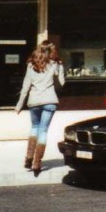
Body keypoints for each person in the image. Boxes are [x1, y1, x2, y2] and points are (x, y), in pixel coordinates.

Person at [15, 40, 65, 176]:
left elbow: (25, 86)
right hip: (50, 100)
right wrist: (57, 72)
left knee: (34, 127)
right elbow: (61, 83)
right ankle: (37, 162)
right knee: (43, 131)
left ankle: (29, 158)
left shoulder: (31, 65)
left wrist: (19, 105)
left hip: (34, 101)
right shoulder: (56, 64)